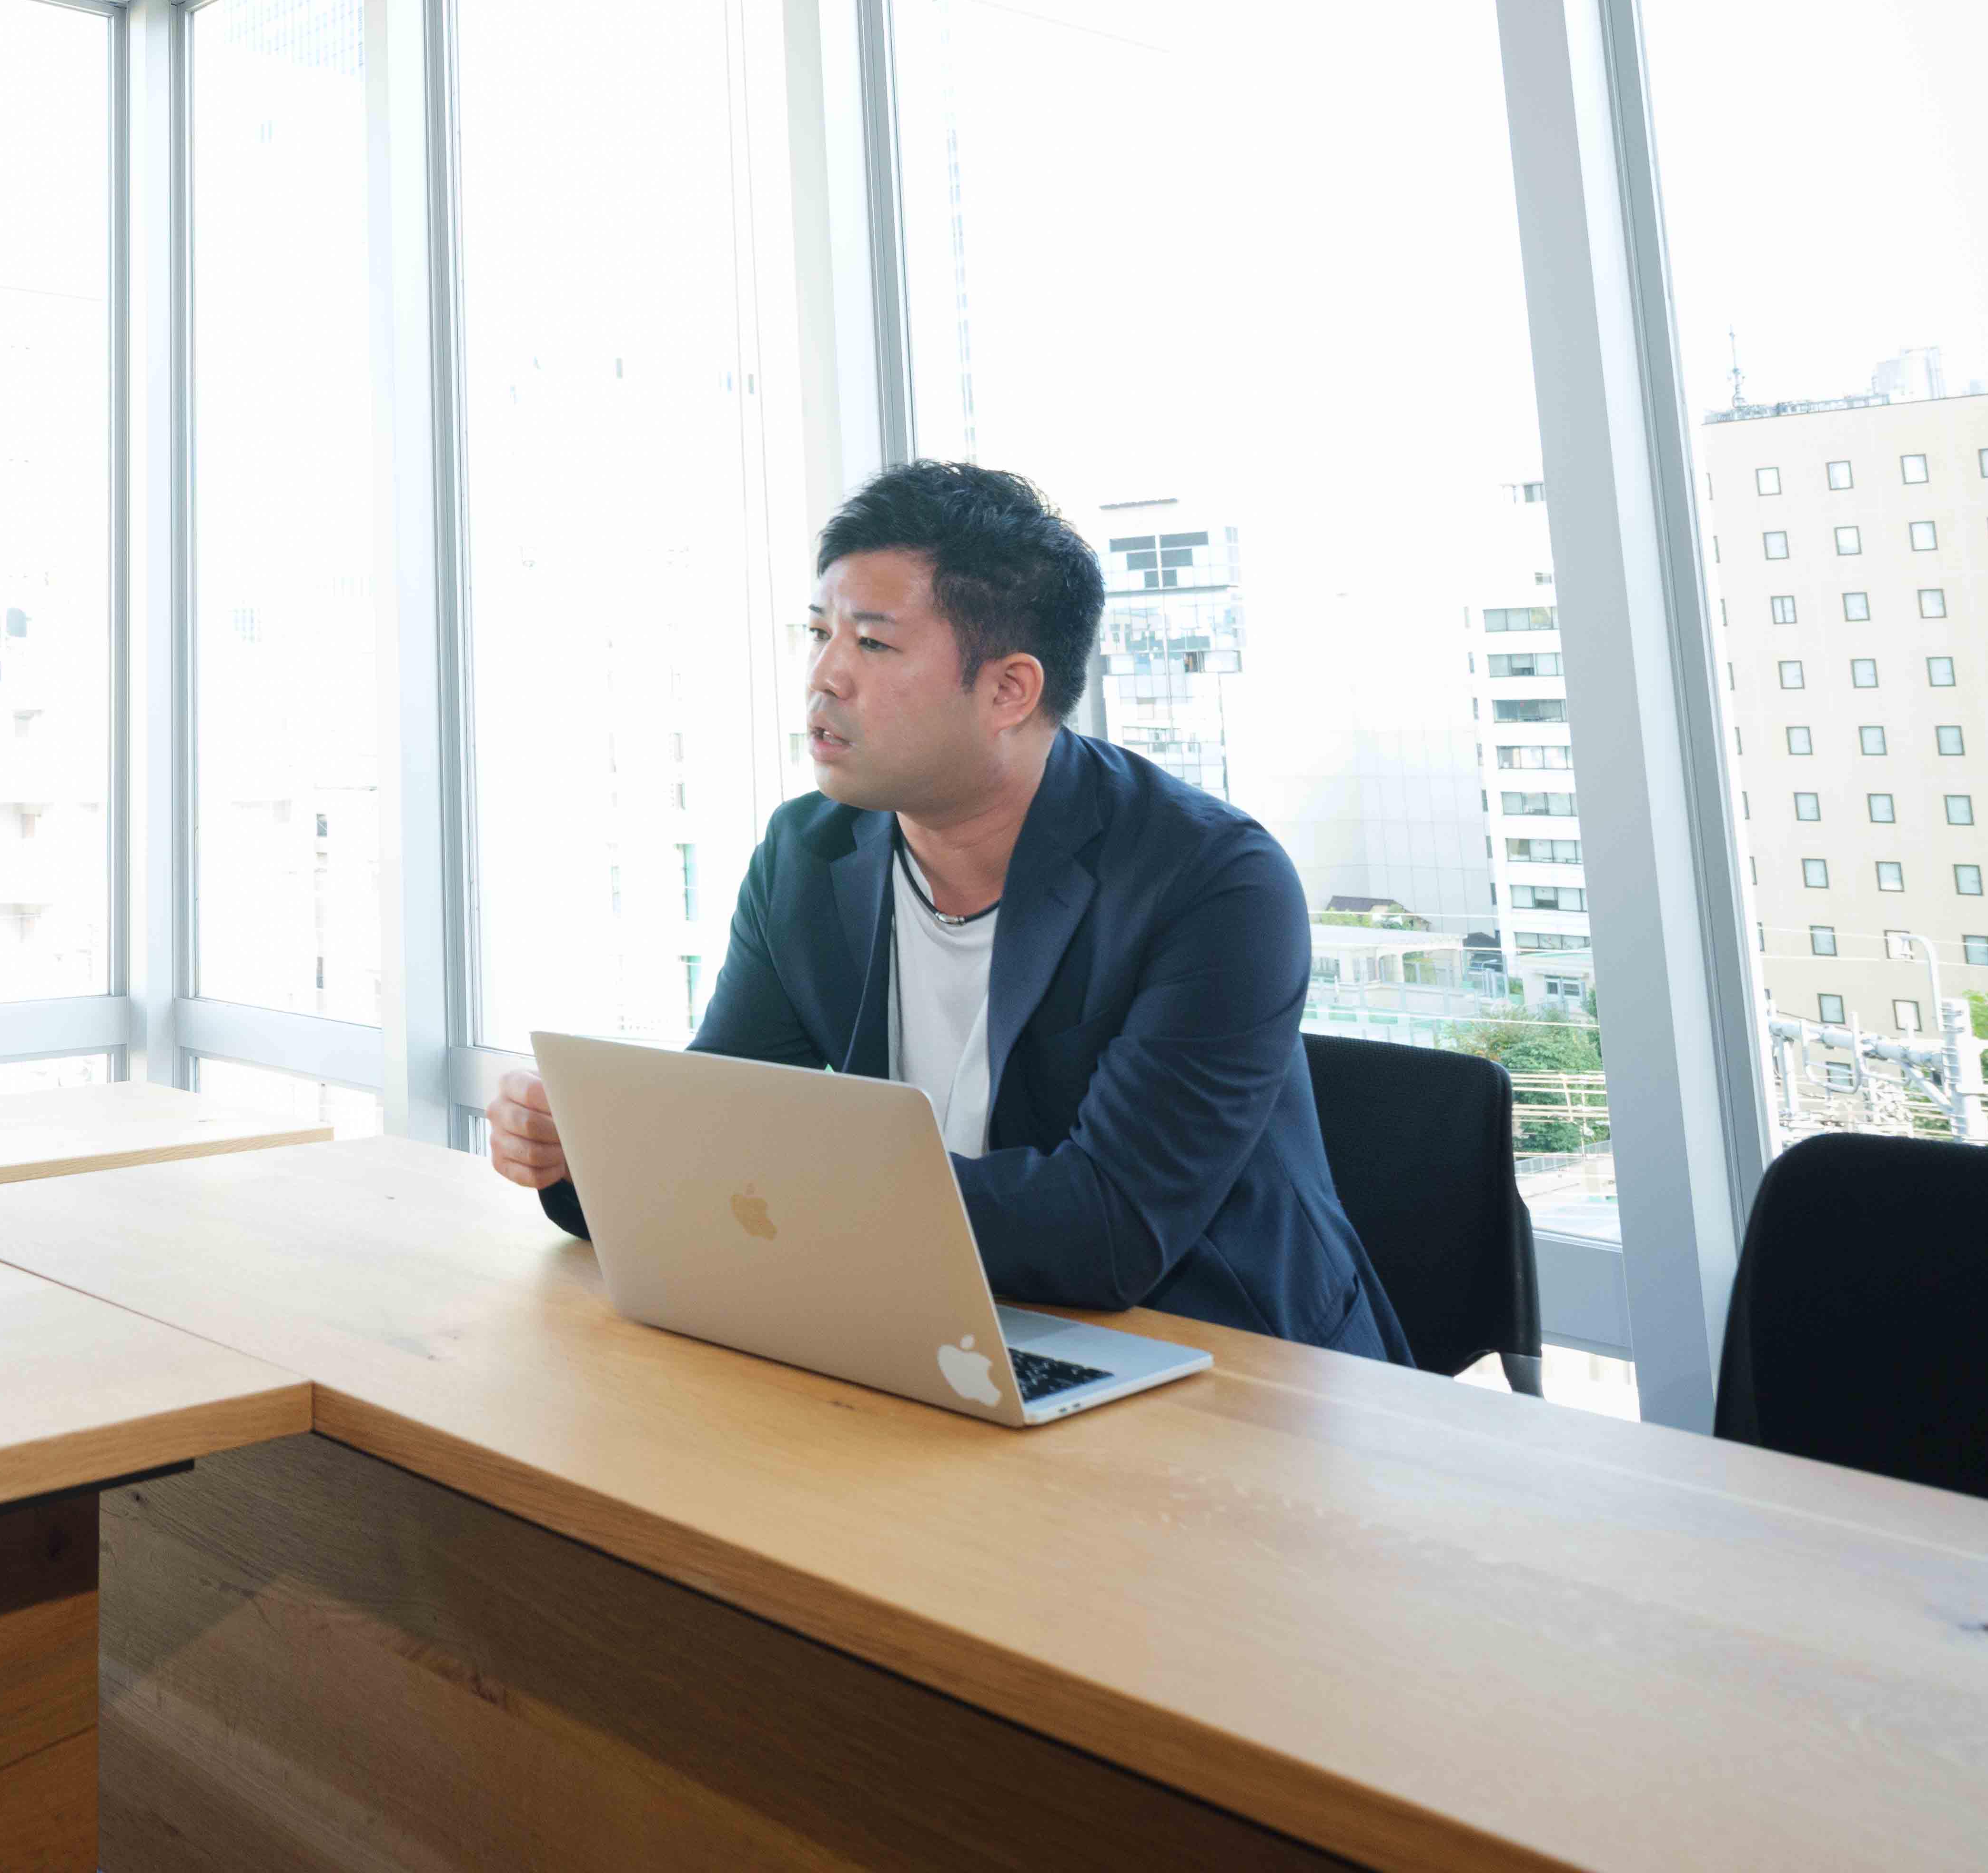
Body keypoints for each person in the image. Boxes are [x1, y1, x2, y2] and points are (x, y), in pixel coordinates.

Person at [489, 461, 1407, 1360]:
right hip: (936, 1329)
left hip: (1218, 1370)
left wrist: (769, 1179)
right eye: (818, 633)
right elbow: (723, 1121)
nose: (823, 678)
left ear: (1010, 690)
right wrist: (584, 1153)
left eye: (873, 644)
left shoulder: (1212, 881)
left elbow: (1112, 1227)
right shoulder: (810, 856)